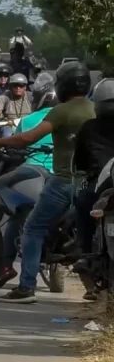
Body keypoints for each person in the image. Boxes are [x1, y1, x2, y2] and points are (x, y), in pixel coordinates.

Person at [0, 61, 95, 303]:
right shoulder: (94, 109)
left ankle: (26, 287)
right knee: (87, 234)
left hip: (64, 180)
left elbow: (28, 137)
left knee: (32, 228)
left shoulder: (62, 111)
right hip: (90, 183)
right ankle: (95, 287)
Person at [0, 83, 57, 288]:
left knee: (16, 216)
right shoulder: (70, 118)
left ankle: (7, 267)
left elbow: (18, 143)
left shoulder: (29, 120)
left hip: (33, 172)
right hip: (63, 175)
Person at [73, 79, 114, 300]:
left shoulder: (89, 127)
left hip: (97, 184)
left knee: (81, 202)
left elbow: (79, 161)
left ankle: (85, 253)